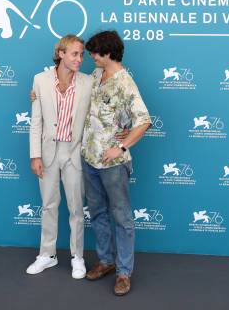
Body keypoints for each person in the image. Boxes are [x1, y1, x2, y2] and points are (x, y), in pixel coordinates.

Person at [81, 30, 151, 296]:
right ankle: (106, 261)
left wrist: (121, 146)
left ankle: (124, 272)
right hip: (89, 158)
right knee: (97, 213)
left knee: (121, 217)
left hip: (112, 164)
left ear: (108, 53)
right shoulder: (96, 75)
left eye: (95, 53)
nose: (91, 57)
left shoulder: (125, 83)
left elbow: (143, 120)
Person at [27, 35, 92, 279]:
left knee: (76, 208)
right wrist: (35, 155)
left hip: (75, 153)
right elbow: (36, 123)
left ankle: (78, 257)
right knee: (48, 205)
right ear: (61, 53)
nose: (79, 59)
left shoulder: (88, 82)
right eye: (74, 54)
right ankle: (47, 255)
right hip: (48, 153)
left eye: (82, 54)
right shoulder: (40, 80)